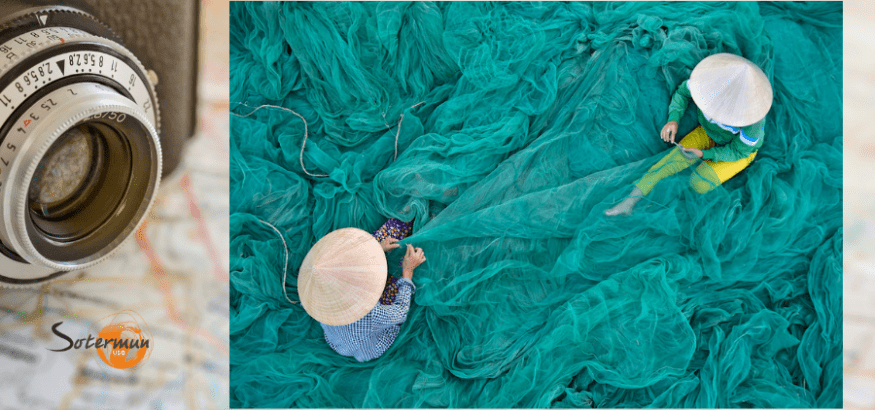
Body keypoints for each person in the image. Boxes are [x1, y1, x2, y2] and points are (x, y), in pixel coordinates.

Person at [605, 53, 773, 216]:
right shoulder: (704, 84)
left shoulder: (753, 121)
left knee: (699, 183)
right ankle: (629, 203)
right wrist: (674, 120)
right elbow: (682, 93)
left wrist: (704, 154)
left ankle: (670, 202)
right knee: (668, 163)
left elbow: (738, 151)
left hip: (737, 152)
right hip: (707, 133)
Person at [297, 219, 426, 362]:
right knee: (403, 265)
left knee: (385, 237)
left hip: (340, 343)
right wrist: (408, 271)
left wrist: (377, 249)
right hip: (371, 345)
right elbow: (401, 311)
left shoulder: (313, 288)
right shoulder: (370, 314)